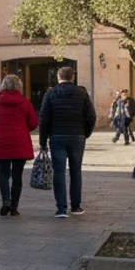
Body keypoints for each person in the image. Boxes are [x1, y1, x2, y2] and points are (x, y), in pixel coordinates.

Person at [39, 66, 96, 218]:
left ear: (58, 77)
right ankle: (76, 206)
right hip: (77, 136)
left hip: (57, 136)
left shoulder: (50, 93)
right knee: (76, 171)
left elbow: (44, 118)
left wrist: (43, 141)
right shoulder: (82, 93)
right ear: (73, 77)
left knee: (59, 172)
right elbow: (91, 116)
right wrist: (85, 133)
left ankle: (61, 208)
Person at [0, 74, 39, 216]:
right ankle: (14, 207)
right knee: (17, 176)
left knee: (3, 174)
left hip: (2, 142)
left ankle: (6, 200)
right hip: (20, 142)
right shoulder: (25, 103)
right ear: (19, 86)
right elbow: (34, 123)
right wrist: (23, 128)